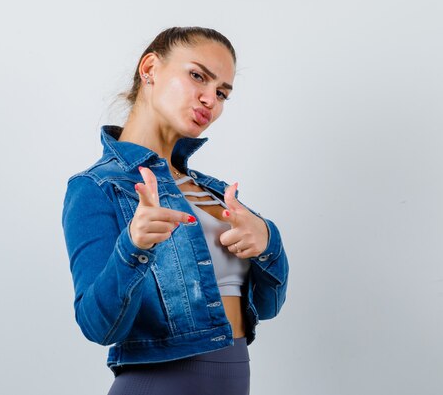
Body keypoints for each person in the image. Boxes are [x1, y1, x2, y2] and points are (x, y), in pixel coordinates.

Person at [61, 26, 289, 395]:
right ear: (150, 68)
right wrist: (133, 247)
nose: (209, 100)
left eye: (222, 93)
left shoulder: (214, 192)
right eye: (197, 76)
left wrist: (268, 241)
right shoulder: (98, 187)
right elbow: (98, 326)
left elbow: (267, 306)